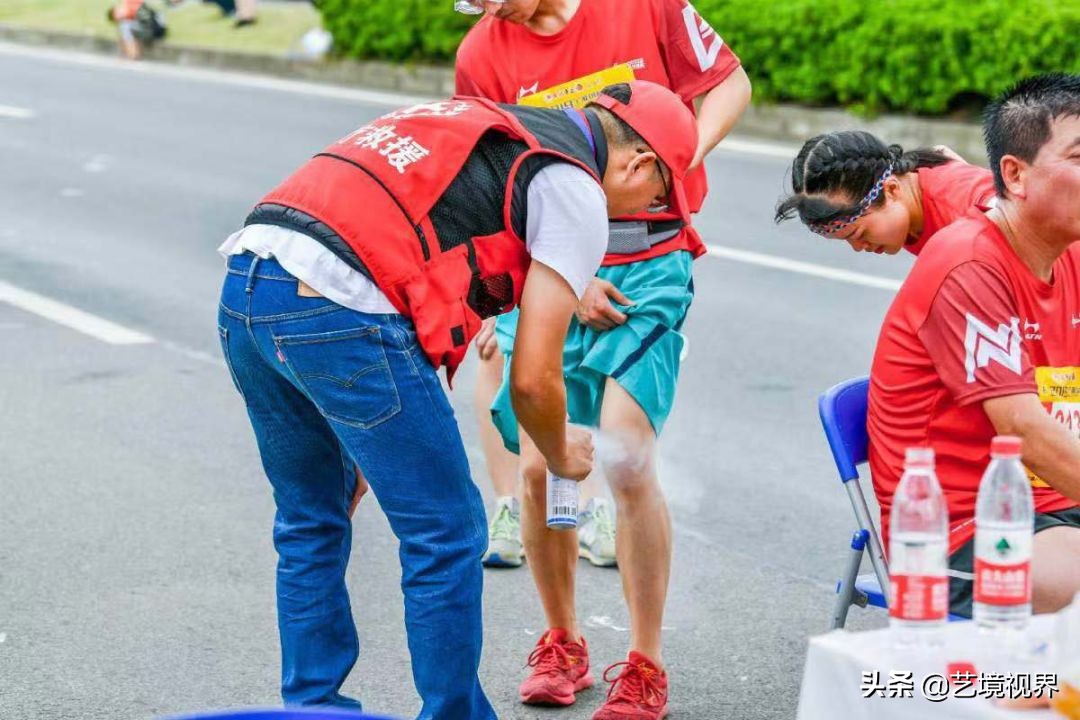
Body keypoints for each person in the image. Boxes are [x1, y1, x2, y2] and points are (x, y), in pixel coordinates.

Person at [216, 81, 698, 719]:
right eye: (659, 194)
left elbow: (422, 263)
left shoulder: (487, 123)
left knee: (312, 516)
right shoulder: (574, 187)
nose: (649, 211)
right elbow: (532, 378)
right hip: (341, 306)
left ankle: (312, 707)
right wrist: (561, 452)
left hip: (249, 283)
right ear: (638, 162)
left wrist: (368, 440)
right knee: (446, 531)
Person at [455, 1, 751, 717]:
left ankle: (645, 663)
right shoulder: (482, 52)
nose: (483, 8)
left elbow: (729, 84)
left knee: (624, 455)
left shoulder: (643, 5)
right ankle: (563, 641)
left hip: (650, 256)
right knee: (539, 464)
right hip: (549, 255)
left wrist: (673, 163)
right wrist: (554, 275)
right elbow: (492, 177)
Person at [867, 73, 1080, 620]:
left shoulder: (1069, 251)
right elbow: (1022, 429)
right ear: (1016, 174)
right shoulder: (968, 263)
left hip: (1055, 499)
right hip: (961, 528)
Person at [776, 130, 995, 256]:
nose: (858, 248)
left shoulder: (974, 208)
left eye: (860, 234)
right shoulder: (912, 200)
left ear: (890, 189)